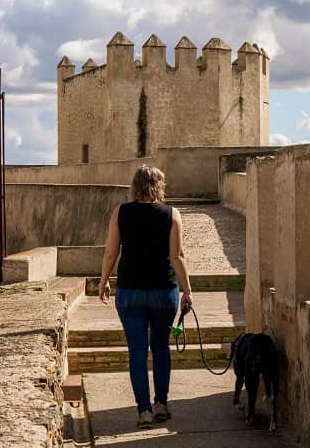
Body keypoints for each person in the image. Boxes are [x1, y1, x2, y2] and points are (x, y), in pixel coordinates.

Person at [99, 165, 194, 429]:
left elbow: (110, 253)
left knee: (137, 352)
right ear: (159, 186)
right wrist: (187, 290)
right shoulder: (172, 214)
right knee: (161, 347)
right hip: (164, 291)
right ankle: (161, 403)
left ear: (134, 186)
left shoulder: (121, 213)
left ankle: (144, 411)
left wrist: (104, 281)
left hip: (129, 291)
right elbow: (177, 257)